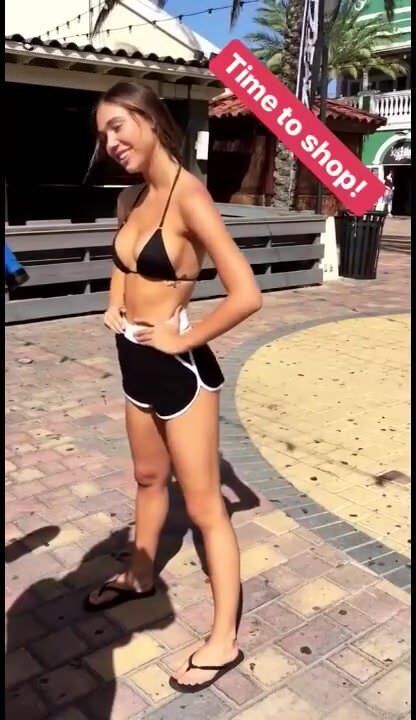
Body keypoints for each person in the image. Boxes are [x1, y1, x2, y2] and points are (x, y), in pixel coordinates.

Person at [84, 81, 262, 692]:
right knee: (147, 478)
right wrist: (114, 303)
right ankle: (139, 574)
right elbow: (124, 261)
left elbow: (245, 293)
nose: (110, 142)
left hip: (181, 373)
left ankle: (224, 639)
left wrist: (184, 339)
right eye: (102, 134)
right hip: (134, 361)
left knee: (207, 507)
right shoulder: (132, 197)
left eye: (117, 126)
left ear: (150, 119)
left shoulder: (189, 197)